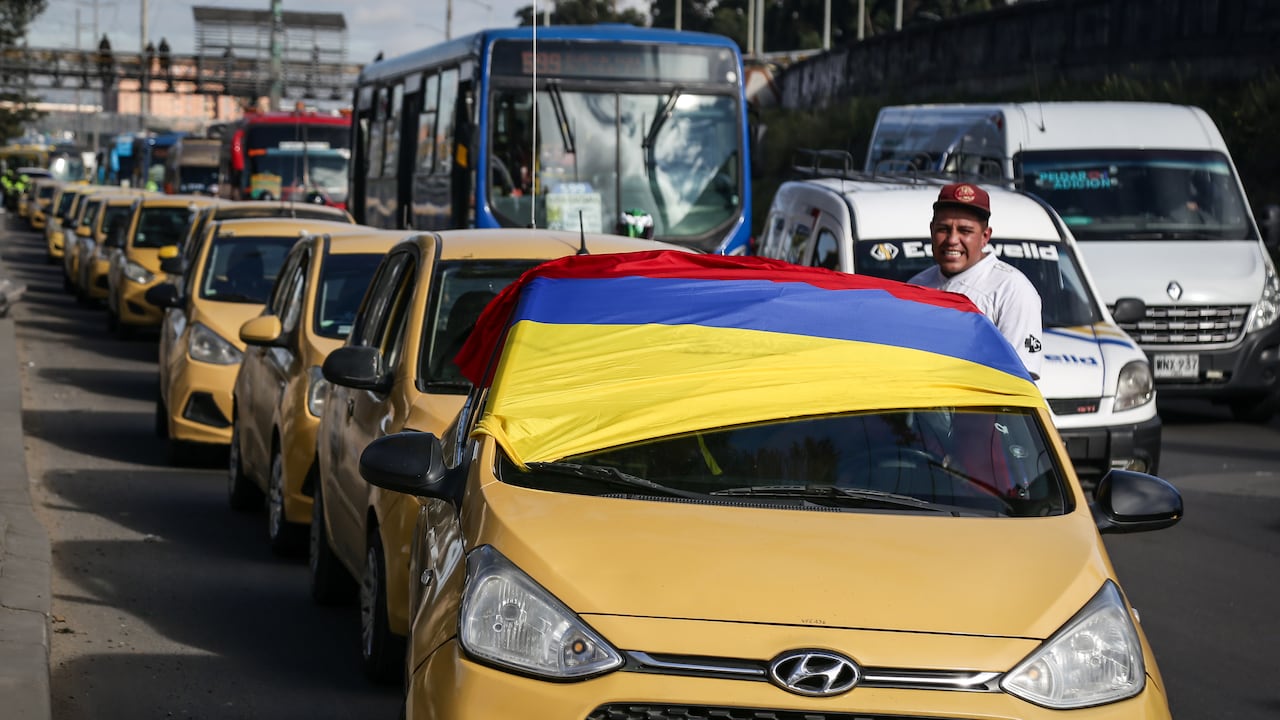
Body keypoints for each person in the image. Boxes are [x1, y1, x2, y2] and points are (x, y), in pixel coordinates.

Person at [908, 182, 1043, 380]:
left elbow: (1018, 378)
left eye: (965, 231)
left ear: (985, 236)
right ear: (931, 230)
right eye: (943, 229)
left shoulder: (1011, 289)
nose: (952, 240)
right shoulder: (915, 286)